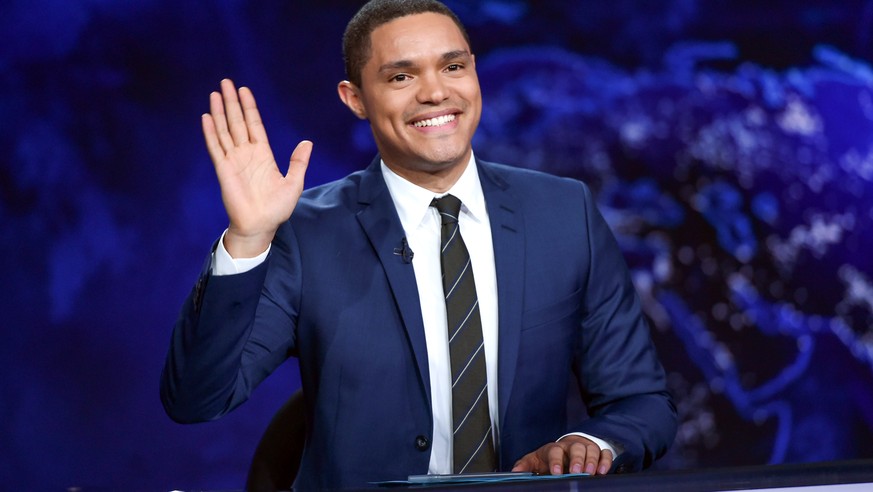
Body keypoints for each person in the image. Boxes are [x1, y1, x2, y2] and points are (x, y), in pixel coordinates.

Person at [160, 0, 677, 489]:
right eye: (401, 76)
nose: (434, 93)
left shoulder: (564, 213)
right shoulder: (306, 232)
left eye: (452, 67)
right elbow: (196, 399)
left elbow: (642, 403)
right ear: (355, 98)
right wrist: (249, 238)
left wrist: (588, 443)